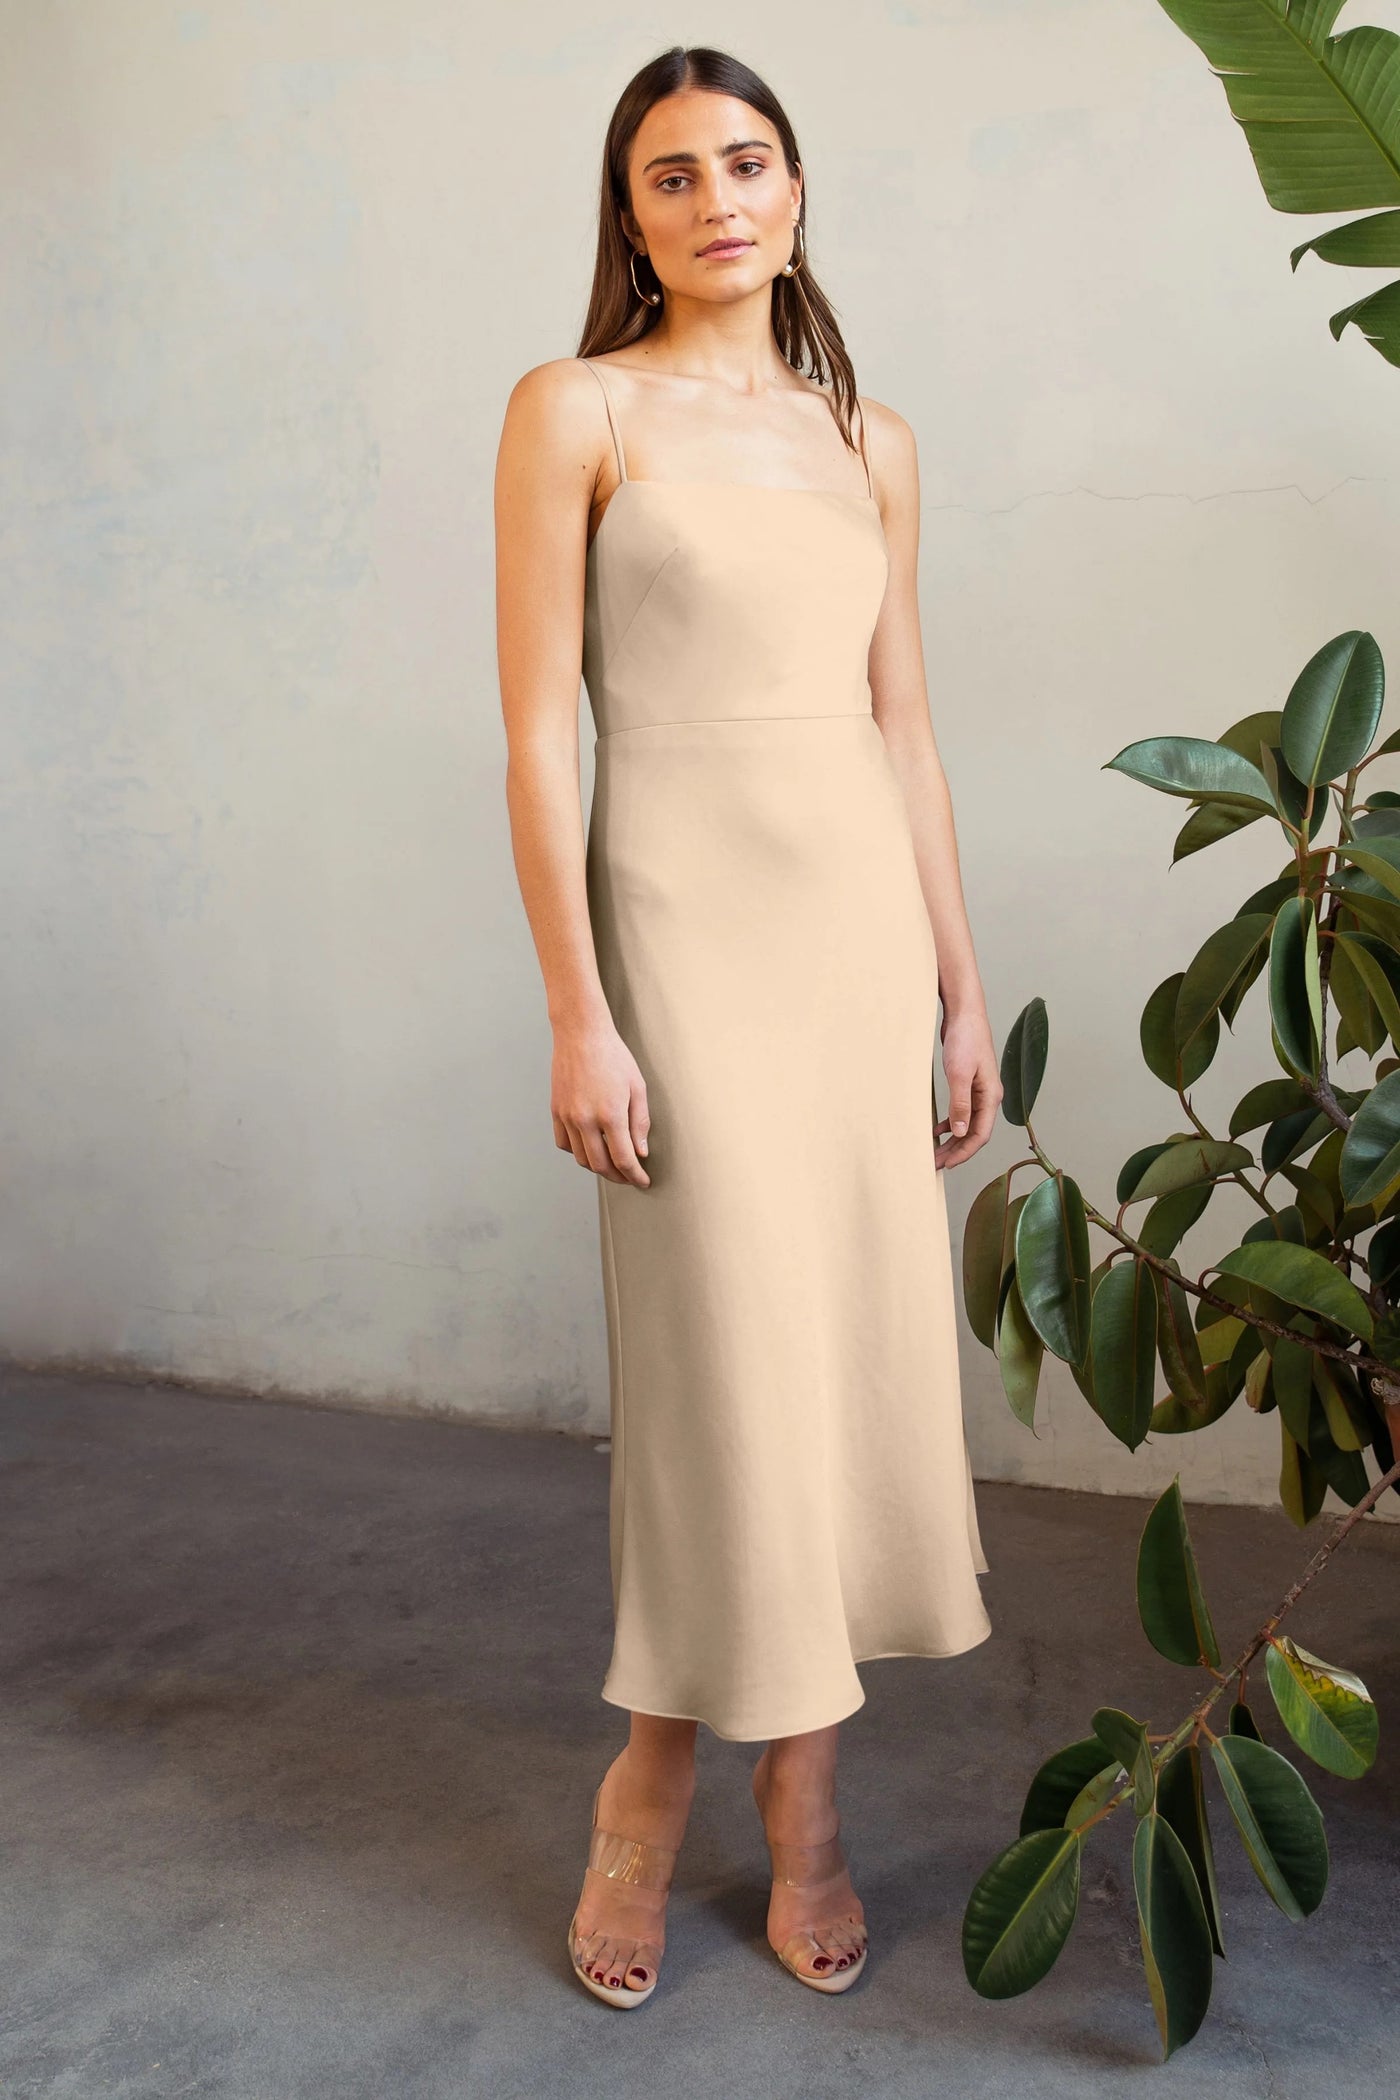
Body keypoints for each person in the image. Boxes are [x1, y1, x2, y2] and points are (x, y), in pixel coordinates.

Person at [495, 44, 1001, 2008]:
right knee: (718, 1373)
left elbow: (907, 728)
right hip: (678, 929)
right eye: (673, 176)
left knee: (846, 1358)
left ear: (797, 190)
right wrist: (577, 1008)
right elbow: (543, 726)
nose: (718, 199)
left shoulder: (866, 435)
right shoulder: (574, 409)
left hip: (855, 936)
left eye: (749, 162)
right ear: (629, 219)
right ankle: (648, 1778)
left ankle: (806, 1800)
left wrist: (963, 987)